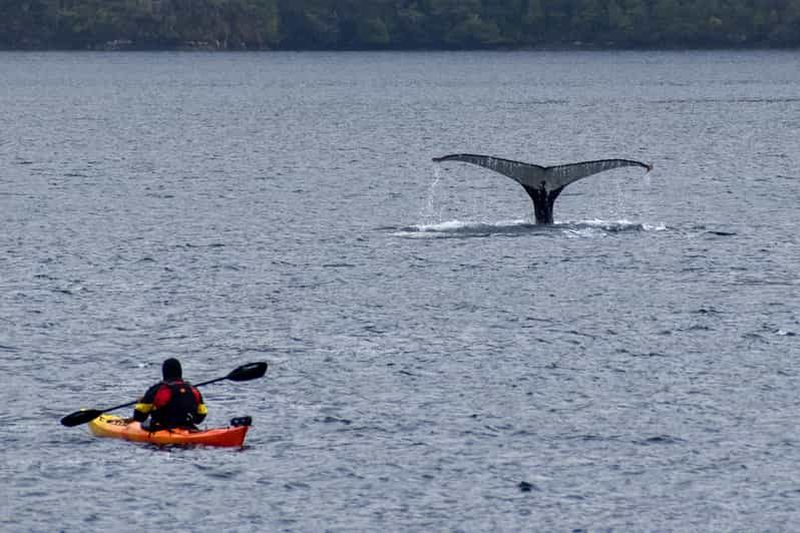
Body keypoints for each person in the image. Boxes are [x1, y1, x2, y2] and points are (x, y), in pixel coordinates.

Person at [133, 358, 207, 430]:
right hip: (187, 426)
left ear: (164, 372)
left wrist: (141, 402)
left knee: (145, 422)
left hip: (161, 429)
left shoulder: (156, 390)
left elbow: (139, 417)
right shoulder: (193, 390)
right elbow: (200, 418)